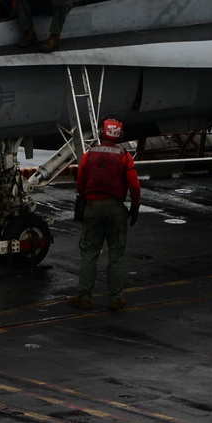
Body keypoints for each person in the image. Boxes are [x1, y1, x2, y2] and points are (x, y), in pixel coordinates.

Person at [69, 116, 141, 311]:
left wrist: (87, 198)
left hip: (92, 207)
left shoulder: (89, 155)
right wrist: (135, 206)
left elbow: (80, 183)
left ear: (102, 133)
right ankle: (116, 298)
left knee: (90, 253)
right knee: (116, 254)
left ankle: (84, 297)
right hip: (116, 209)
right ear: (119, 135)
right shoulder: (124, 156)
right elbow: (134, 186)